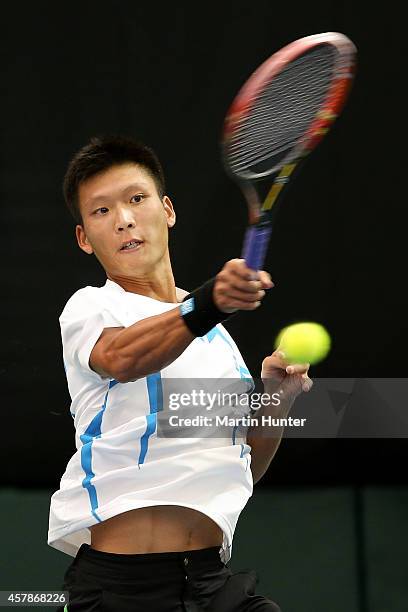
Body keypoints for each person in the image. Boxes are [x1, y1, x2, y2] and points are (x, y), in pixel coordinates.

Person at [48, 135, 312, 611]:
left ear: (166, 210)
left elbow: (241, 465)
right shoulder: (91, 308)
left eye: (135, 198)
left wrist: (276, 398)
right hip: (125, 588)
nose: (125, 218)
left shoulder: (219, 344)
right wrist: (207, 304)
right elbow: (123, 359)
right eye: (101, 211)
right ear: (84, 238)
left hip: (211, 581)